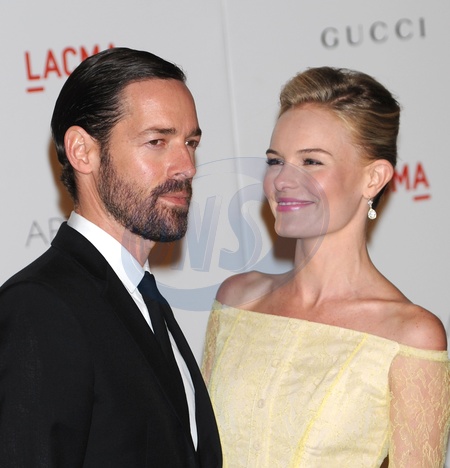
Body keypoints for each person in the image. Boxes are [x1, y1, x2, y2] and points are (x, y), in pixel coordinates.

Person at [202, 66, 450, 467]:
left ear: (374, 178)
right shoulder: (237, 300)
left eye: (312, 161)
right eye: (275, 161)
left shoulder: (409, 335)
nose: (283, 180)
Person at [0, 47, 222, 467]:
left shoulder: (143, 297)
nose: (187, 166)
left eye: (190, 143)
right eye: (157, 142)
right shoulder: (41, 306)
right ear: (82, 151)